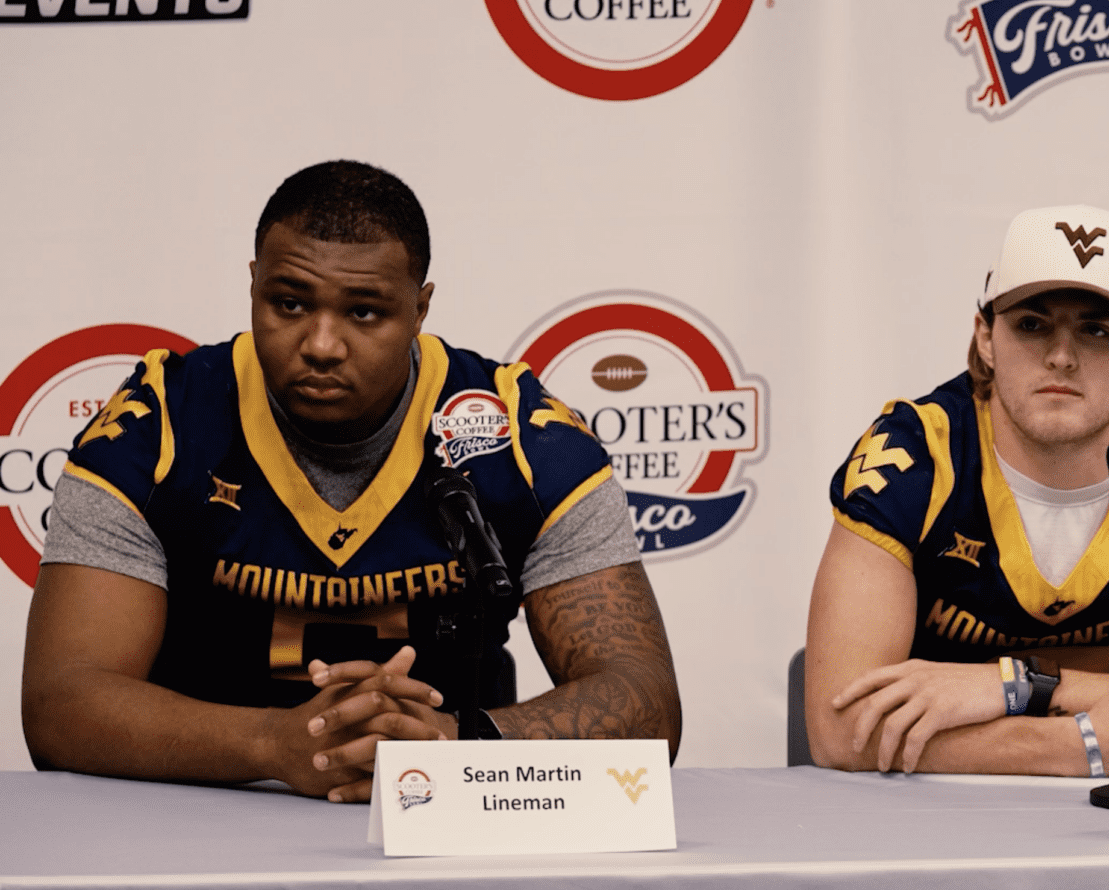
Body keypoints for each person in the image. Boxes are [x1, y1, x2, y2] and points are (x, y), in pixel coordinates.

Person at [22, 160, 681, 802]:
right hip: (201, 813)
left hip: (449, 819)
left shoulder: (524, 437)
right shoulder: (155, 426)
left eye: (365, 312)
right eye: (289, 303)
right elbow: (62, 703)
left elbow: (646, 701)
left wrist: (459, 744)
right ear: (252, 283)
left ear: (421, 308)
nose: (323, 344)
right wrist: (274, 743)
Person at [805, 204, 1109, 777]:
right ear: (986, 336)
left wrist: (1010, 685)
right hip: (933, 818)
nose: (1061, 355)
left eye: (1097, 330)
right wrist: (1085, 743)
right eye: (1031, 324)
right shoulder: (915, 455)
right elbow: (840, 730)